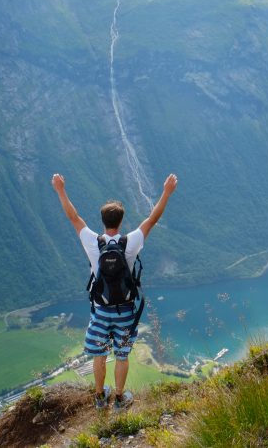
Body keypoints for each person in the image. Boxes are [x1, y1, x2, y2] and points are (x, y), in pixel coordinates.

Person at [51, 172, 178, 410]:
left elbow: (73, 217)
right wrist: (166, 193)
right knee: (122, 355)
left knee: (99, 355)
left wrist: (60, 190)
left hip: (100, 310)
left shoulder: (92, 242)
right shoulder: (130, 242)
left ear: (102, 221)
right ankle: (119, 399)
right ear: (120, 222)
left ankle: (100, 398)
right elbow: (152, 219)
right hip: (125, 312)